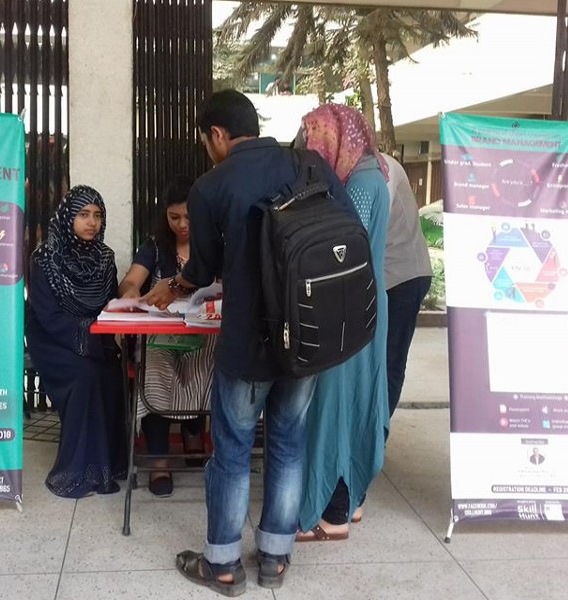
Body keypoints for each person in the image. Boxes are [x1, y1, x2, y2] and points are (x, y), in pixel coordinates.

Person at [144, 90, 352, 596]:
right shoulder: (309, 166)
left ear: (216, 134)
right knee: (287, 441)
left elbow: (202, 268)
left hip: (248, 341)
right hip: (308, 336)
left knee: (233, 449)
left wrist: (173, 287)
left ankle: (221, 565)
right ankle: (276, 559)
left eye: (205, 140)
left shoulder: (211, 186)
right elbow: (348, 230)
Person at [294, 104, 390, 542]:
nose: (308, 149)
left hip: (351, 311)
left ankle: (331, 515)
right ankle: (348, 502)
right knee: (349, 403)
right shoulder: (366, 175)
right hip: (359, 307)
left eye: (314, 138)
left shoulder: (365, 183)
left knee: (335, 409)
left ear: (334, 139)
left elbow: (344, 251)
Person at [118, 175, 216, 499]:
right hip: (162, 334)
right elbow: (131, 282)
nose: (182, 224)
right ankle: (159, 458)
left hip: (202, 335)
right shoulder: (156, 246)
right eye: (174, 217)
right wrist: (133, 293)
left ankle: (193, 435)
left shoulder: (214, 246)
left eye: (189, 216)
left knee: (206, 364)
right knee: (155, 366)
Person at [27, 185, 127, 498]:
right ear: (68, 217)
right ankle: (79, 470)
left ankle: (110, 464)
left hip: (95, 336)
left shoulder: (105, 258)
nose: (91, 222)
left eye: (97, 215)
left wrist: (102, 336)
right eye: (83, 214)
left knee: (112, 374)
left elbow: (109, 305)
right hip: (53, 339)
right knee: (85, 376)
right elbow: (48, 317)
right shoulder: (44, 259)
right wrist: (89, 336)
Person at [380, 153, 432, 418]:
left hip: (403, 276)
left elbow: (374, 218)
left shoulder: (382, 168)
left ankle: (377, 438)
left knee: (390, 360)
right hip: (383, 276)